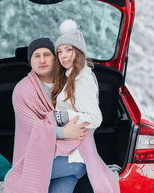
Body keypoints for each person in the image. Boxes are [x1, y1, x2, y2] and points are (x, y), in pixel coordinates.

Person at [4, 38, 89, 193]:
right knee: (82, 164)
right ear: (30, 61)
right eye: (37, 56)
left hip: (67, 150)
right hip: (35, 156)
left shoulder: (69, 84)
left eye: (46, 54)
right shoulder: (23, 90)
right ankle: (21, 178)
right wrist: (63, 132)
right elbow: (32, 128)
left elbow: (82, 115)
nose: (42, 60)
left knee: (80, 165)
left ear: (55, 58)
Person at [51, 19, 120, 193]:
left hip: (75, 157)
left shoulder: (83, 79)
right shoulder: (69, 78)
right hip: (69, 154)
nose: (63, 56)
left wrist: (63, 116)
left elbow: (95, 118)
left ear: (79, 52)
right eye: (59, 52)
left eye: (68, 50)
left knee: (25, 174)